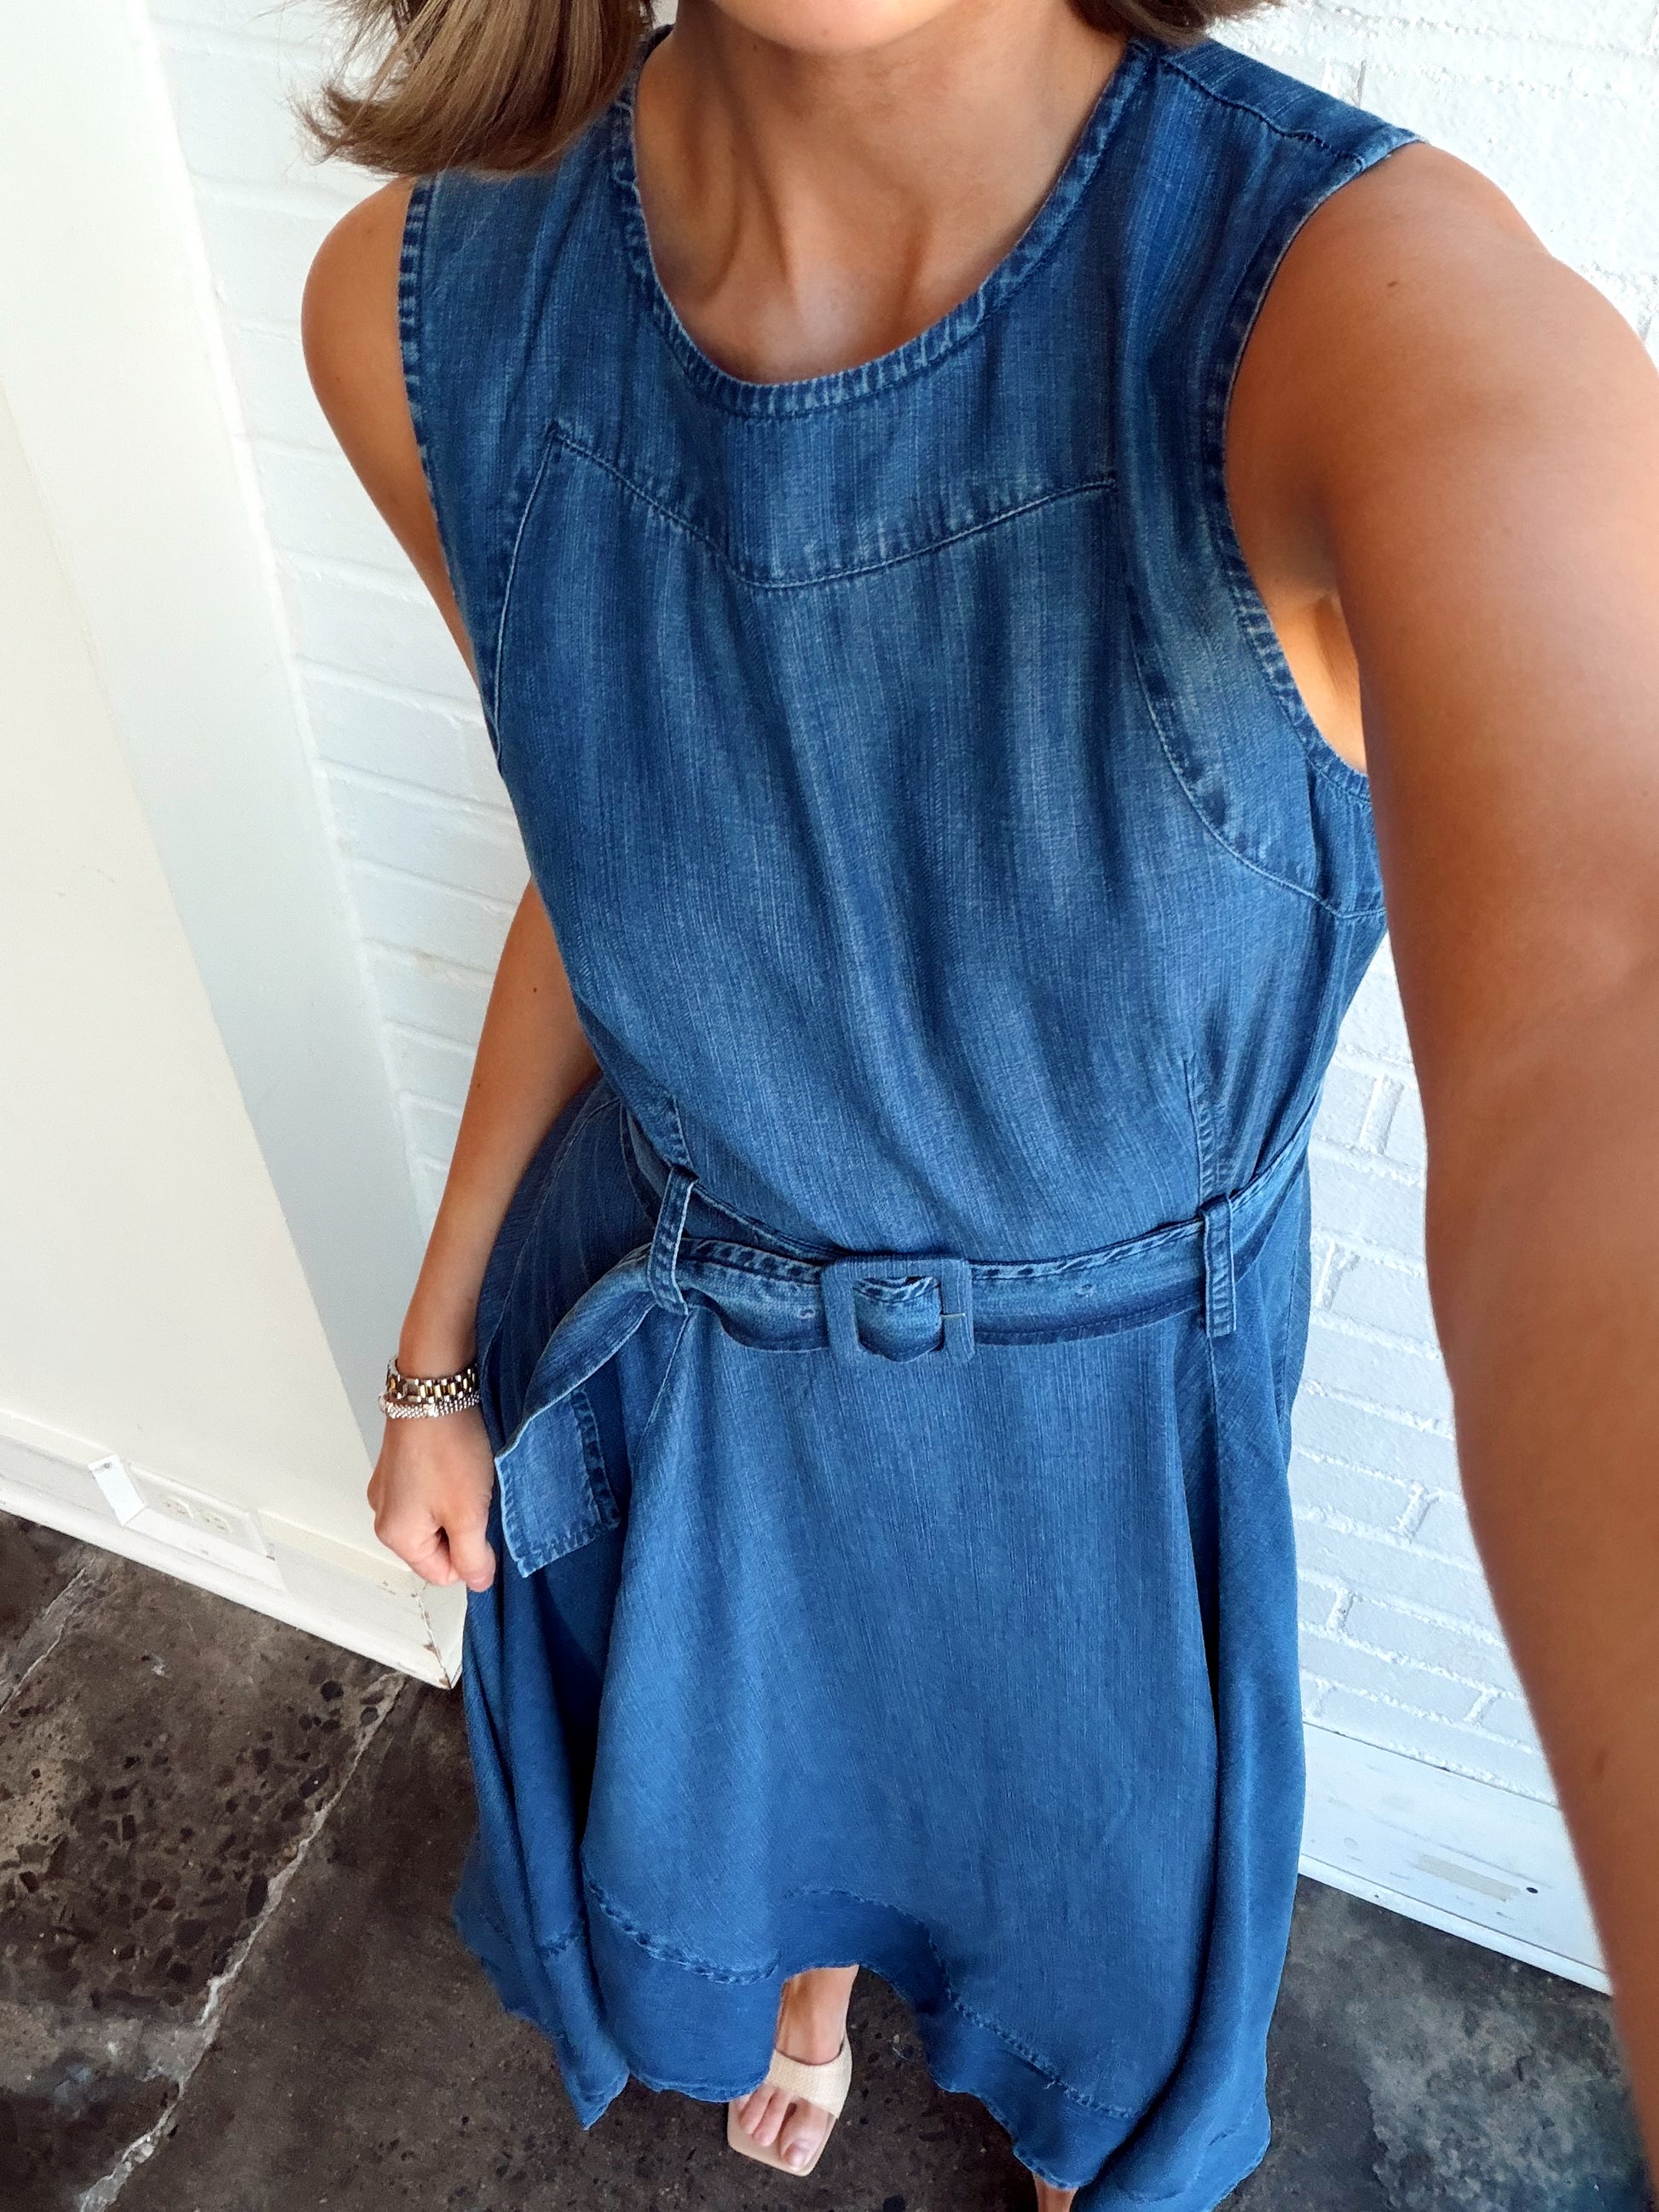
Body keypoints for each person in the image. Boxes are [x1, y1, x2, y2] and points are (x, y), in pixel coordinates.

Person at [299, 1, 1659, 2203]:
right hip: (695, 1355)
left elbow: (1610, 1005)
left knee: (1099, 1985)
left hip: (1094, 1446)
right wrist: (438, 1347)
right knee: (773, 1817)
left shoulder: (1355, 306)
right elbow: (612, 849)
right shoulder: (414, 309)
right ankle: (813, 1999)